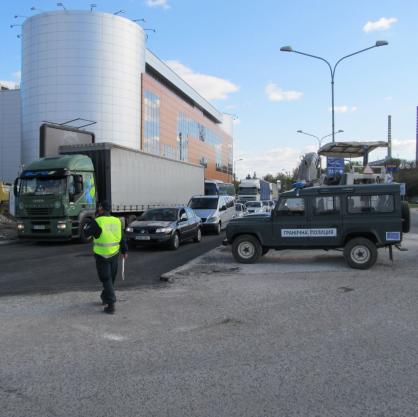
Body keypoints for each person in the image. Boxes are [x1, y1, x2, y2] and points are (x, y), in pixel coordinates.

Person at [84, 201, 128, 314]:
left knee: (105, 278)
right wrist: (124, 250)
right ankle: (105, 297)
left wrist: (88, 224)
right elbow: (122, 237)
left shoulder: (98, 221)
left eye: (99, 207)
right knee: (110, 278)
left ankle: (111, 305)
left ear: (101, 209)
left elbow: (86, 233)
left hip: (101, 255)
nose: (98, 208)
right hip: (114, 254)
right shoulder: (117, 221)